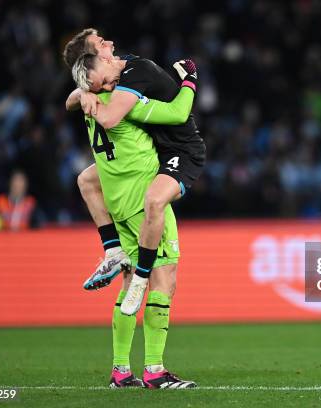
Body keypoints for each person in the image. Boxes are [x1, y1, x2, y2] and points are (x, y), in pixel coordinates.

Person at [72, 55, 199, 388]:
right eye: (104, 61)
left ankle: (120, 370)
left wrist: (81, 93)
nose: (114, 60)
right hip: (144, 200)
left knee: (129, 284)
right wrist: (189, 81)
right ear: (96, 81)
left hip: (118, 204)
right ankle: (155, 370)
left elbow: (87, 178)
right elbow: (175, 114)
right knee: (163, 280)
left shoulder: (89, 107)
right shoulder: (122, 105)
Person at [63, 30, 206, 310]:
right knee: (86, 180)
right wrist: (82, 93)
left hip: (180, 151)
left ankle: (141, 276)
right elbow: (73, 99)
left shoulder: (132, 73)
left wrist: (190, 79)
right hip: (157, 150)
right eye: (101, 43)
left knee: (153, 200)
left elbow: (114, 117)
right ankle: (113, 250)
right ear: (92, 58)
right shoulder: (110, 82)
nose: (110, 43)